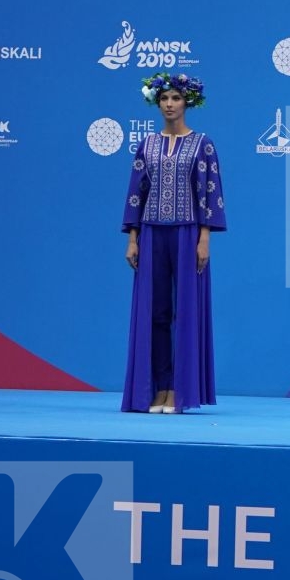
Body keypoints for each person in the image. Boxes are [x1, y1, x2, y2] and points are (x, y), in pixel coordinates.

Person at [122, 73, 225, 413]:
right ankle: (160, 387)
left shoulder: (202, 144)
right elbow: (136, 193)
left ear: (187, 103)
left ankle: (181, 391)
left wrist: (204, 237)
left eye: (176, 98)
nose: (169, 104)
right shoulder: (147, 145)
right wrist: (133, 238)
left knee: (186, 311)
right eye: (164, 99)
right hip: (151, 233)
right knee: (156, 312)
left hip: (187, 233)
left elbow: (210, 191)